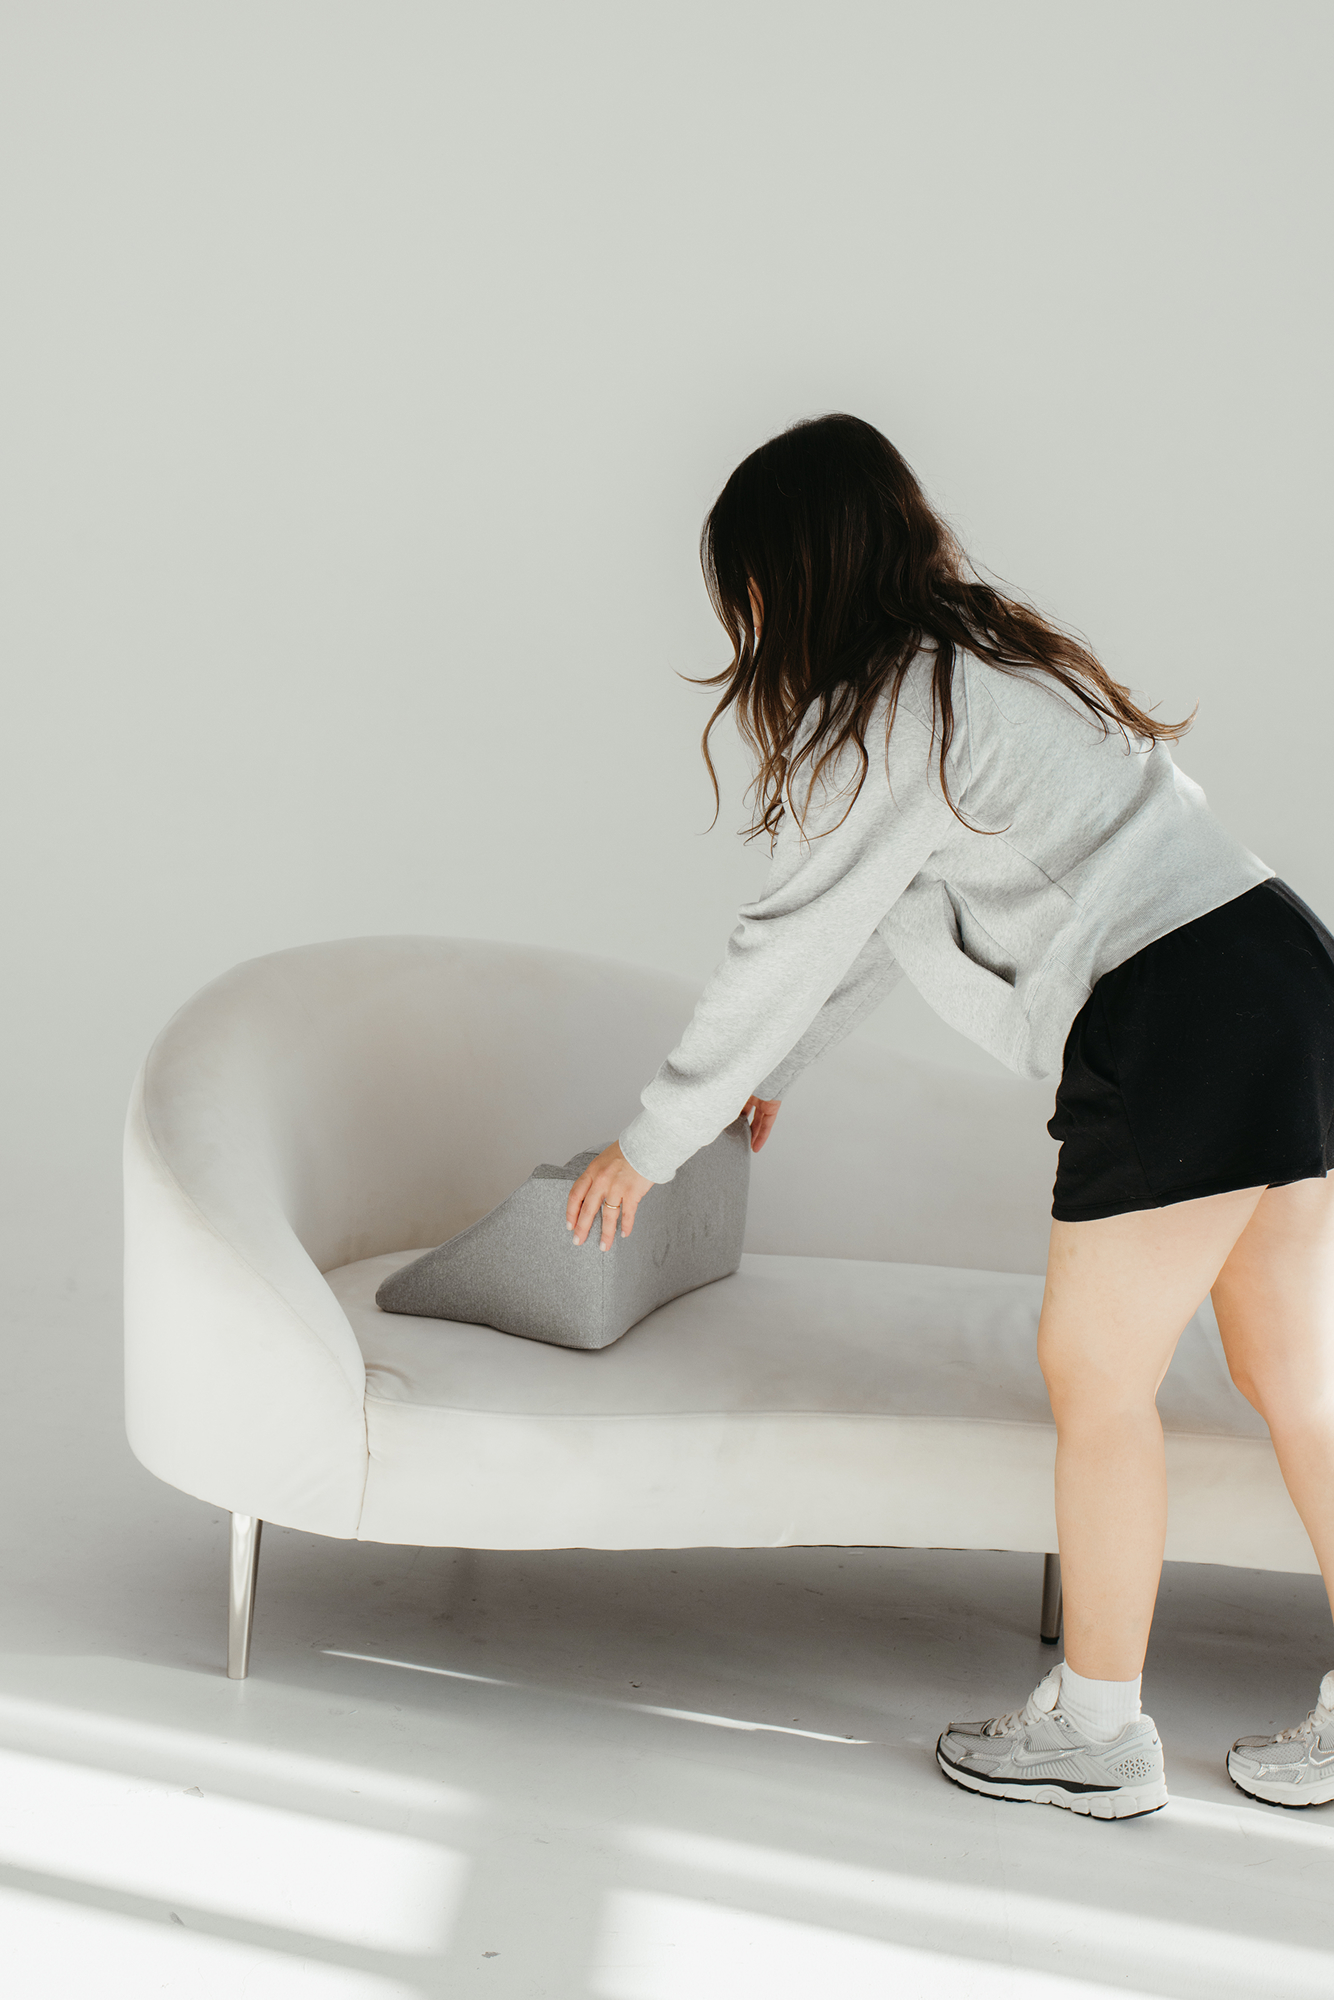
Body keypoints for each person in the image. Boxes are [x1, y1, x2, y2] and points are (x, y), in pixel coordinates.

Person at [563, 413, 1334, 1819]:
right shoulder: (986, 664)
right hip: (1278, 970)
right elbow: (878, 929)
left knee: (1094, 1381)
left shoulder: (896, 708)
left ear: (785, 578)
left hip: (1174, 1014)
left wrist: (655, 1137)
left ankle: (1095, 1733)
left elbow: (788, 933)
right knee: (1295, 1376)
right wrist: (771, 1084)